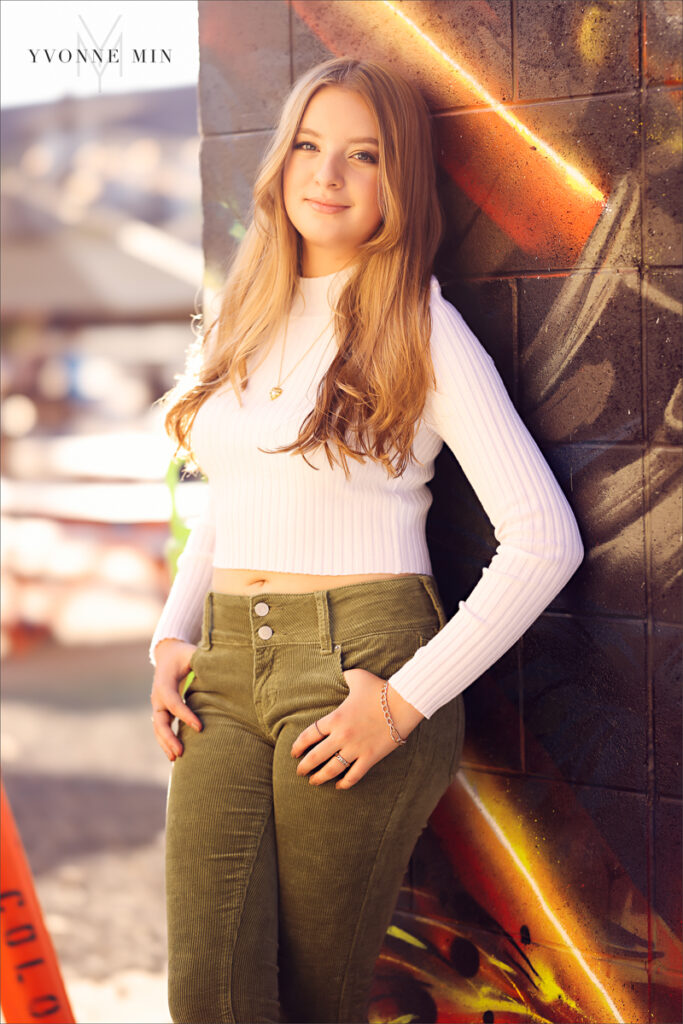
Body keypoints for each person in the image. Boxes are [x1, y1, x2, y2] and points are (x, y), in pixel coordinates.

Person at [148, 57, 583, 1024]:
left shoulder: (417, 320)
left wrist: (403, 706)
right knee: (206, 994)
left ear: (399, 180)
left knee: (317, 996)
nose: (326, 175)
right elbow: (234, 496)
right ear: (280, 160)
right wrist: (172, 636)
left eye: (363, 155)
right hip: (223, 665)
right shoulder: (242, 312)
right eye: (308, 145)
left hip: (361, 666)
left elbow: (543, 540)